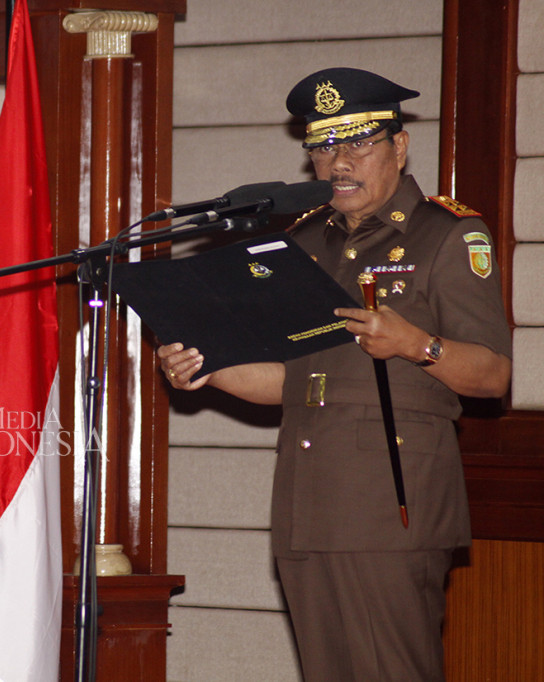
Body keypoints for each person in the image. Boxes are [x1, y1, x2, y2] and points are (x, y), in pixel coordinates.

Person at [158, 67, 512, 681]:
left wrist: (415, 344)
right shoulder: (304, 242)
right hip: (307, 503)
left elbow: (493, 375)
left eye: (356, 143)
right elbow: (289, 378)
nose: (337, 162)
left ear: (398, 146)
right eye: (322, 146)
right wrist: (207, 370)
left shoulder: (448, 234)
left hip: (390, 508)